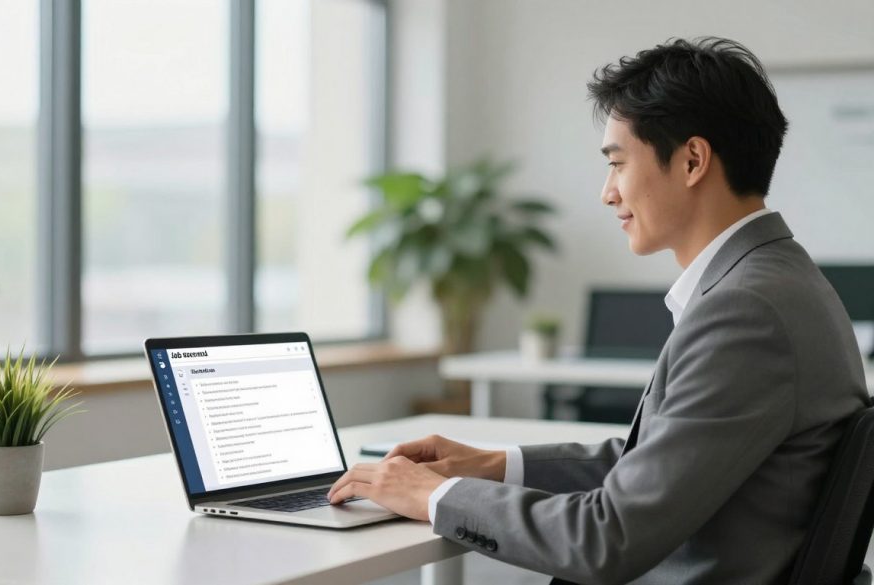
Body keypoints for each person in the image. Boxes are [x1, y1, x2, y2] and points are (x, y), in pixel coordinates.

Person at [327, 37, 871, 584]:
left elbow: (606, 539)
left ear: (692, 160)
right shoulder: (778, 279)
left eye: (617, 164)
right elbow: (659, 463)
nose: (607, 193)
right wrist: (493, 465)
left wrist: (436, 495)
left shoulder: (746, 311)